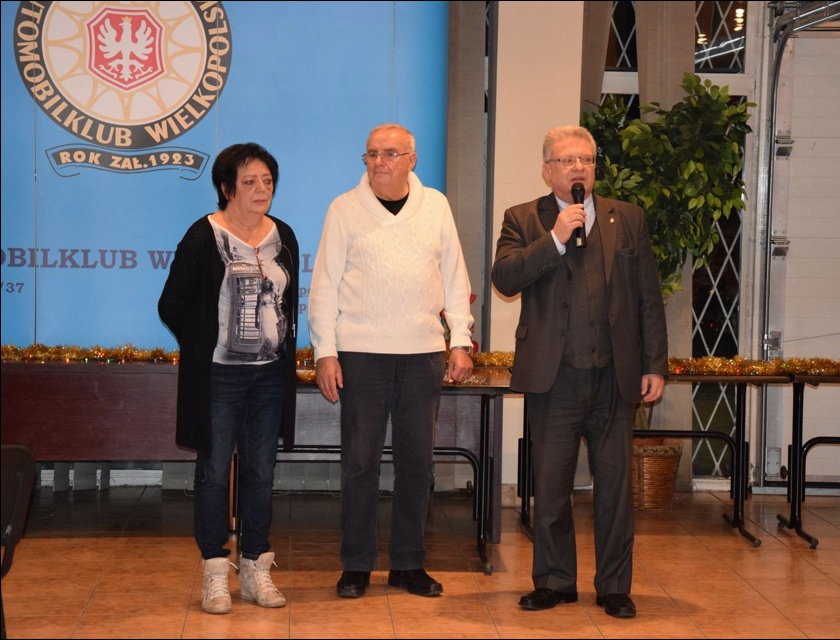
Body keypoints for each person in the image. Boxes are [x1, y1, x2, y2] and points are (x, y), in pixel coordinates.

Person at [491, 125, 668, 619]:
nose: (578, 168)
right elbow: (505, 277)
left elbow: (648, 297)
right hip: (555, 379)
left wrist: (654, 365)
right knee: (551, 488)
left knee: (615, 490)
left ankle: (614, 586)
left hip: (615, 378)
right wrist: (555, 238)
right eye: (568, 160)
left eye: (586, 160)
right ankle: (554, 581)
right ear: (547, 170)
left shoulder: (626, 218)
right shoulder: (523, 218)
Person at [307, 122, 474, 599]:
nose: (378, 162)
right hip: (361, 355)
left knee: (417, 466)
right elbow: (324, 286)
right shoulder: (343, 209)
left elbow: (455, 277)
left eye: (389, 154)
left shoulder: (436, 206)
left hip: (422, 354)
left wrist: (460, 340)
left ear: (411, 160)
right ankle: (356, 565)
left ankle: (408, 564)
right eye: (371, 154)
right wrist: (325, 352)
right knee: (360, 464)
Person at [158, 142, 298, 615]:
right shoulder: (204, 235)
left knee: (261, 472)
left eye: (267, 181)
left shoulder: (284, 236)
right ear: (226, 188)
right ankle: (215, 571)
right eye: (249, 182)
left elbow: (286, 303)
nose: (261, 189)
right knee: (215, 473)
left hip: (269, 377)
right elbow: (171, 305)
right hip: (218, 377)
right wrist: (203, 346)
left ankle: (256, 566)